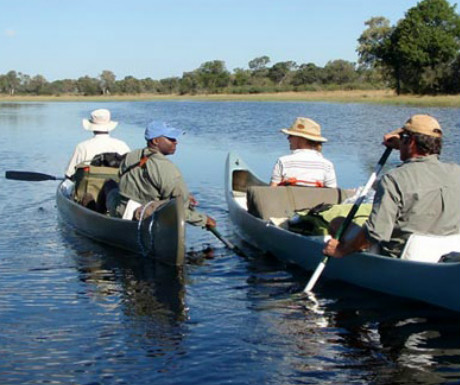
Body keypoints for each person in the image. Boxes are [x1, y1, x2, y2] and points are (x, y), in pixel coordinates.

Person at [323, 114, 460, 259]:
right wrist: (402, 144)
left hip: (403, 256)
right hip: (448, 251)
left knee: (337, 223)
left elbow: (376, 234)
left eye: (404, 137)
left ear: (411, 141)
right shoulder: (456, 171)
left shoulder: (393, 179)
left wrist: (342, 250)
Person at [106, 120, 216, 228]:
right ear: (155, 141)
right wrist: (203, 219)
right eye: (171, 139)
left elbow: (128, 181)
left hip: (121, 211)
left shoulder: (131, 156)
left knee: (109, 185)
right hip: (146, 217)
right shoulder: (166, 168)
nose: (176, 142)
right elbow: (180, 207)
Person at [270, 117, 337, 187]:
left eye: (291, 135)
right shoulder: (327, 165)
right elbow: (332, 193)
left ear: (301, 139)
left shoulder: (283, 161)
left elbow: (272, 192)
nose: (288, 138)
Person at [65, 109, 130, 179]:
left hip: (88, 188)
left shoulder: (82, 147)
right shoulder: (122, 145)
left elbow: (69, 174)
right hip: (117, 187)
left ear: (92, 127)